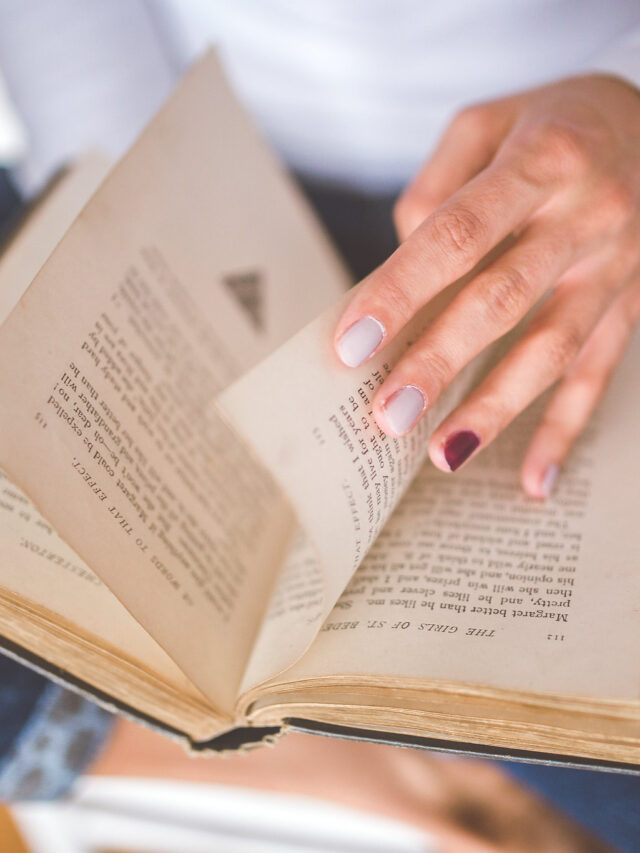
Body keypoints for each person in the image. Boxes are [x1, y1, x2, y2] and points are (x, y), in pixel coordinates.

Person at [0, 1, 639, 849]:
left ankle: (309, 746)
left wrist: (627, 97)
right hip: (192, 151)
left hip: (576, 193)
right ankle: (349, 763)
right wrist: (129, 220)